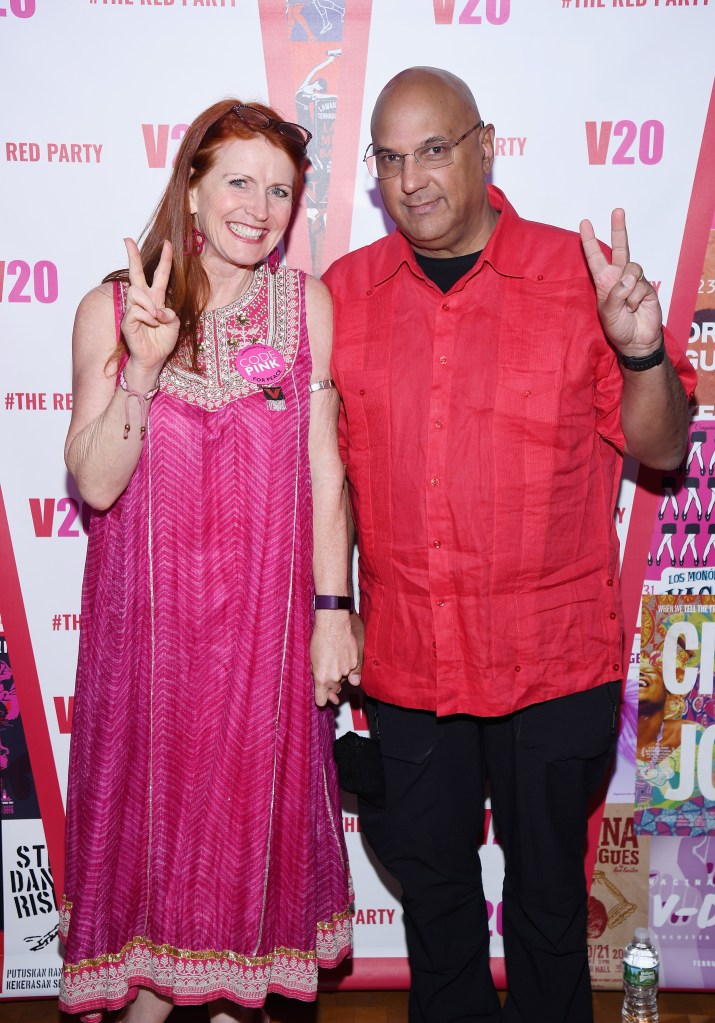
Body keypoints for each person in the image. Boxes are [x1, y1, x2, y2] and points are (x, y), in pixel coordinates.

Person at [322, 67, 696, 1023]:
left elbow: (659, 450)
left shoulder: (579, 277)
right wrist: (332, 610)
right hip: (410, 661)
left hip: (552, 661)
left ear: (485, 146)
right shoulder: (344, 295)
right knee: (434, 907)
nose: (411, 180)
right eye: (389, 159)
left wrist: (639, 349)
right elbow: (329, 480)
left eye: (433, 150)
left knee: (546, 907)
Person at [59, 98, 358, 1023]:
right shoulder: (112, 309)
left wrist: (332, 612)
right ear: (190, 187)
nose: (259, 209)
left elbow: (324, 470)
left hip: (264, 656)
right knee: (154, 927)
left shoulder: (306, 307)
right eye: (238, 181)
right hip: (146, 661)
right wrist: (142, 370)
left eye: (280, 191)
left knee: (242, 935)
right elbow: (95, 484)